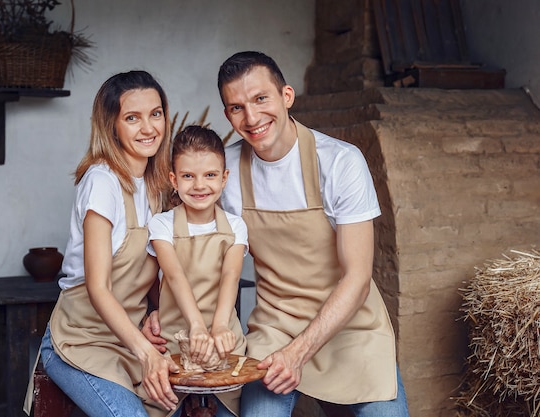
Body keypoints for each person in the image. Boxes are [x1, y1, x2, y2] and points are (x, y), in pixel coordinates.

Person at [215, 51, 411, 417]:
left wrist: (299, 353)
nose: (252, 117)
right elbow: (204, 257)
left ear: (286, 96)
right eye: (237, 107)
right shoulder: (223, 171)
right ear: (228, 115)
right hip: (274, 329)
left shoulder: (340, 162)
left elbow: (357, 279)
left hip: (351, 328)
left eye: (261, 99)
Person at [24, 71, 180, 417]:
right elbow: (98, 288)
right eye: (132, 118)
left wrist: (154, 312)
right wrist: (147, 354)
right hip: (79, 342)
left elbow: (152, 269)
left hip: (128, 340)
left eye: (156, 114)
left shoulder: (156, 184)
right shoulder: (102, 182)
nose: (149, 128)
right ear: (112, 126)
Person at [147, 125, 248, 417]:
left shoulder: (235, 227)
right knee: (162, 406)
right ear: (173, 180)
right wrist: (196, 328)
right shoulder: (162, 225)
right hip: (173, 340)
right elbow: (175, 276)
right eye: (188, 176)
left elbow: (231, 277)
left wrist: (218, 328)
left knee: (230, 409)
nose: (199, 185)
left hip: (223, 339)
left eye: (210, 175)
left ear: (224, 178)